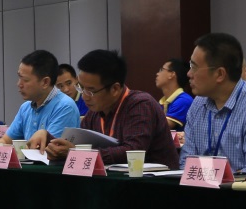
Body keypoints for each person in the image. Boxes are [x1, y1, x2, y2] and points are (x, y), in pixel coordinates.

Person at [45, 50, 181, 169]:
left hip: (155, 184)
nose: (84, 96)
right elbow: (76, 145)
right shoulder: (95, 112)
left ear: (115, 89)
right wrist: (50, 141)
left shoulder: (140, 105)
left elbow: (132, 151)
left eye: (91, 91)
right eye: (81, 87)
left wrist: (78, 153)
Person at [180, 33, 246, 176]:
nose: (189, 74)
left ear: (220, 74)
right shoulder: (198, 104)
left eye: (194, 67)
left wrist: (212, 178)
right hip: (204, 188)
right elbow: (187, 164)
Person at [0, 50, 80, 158]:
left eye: (25, 80)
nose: (19, 84)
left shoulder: (65, 107)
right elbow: (6, 140)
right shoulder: (25, 107)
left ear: (45, 82)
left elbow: (48, 151)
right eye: (19, 78)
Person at [155, 58, 194, 130]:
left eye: (161, 70)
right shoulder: (162, 102)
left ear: (171, 74)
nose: (157, 74)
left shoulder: (184, 100)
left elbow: (162, 127)